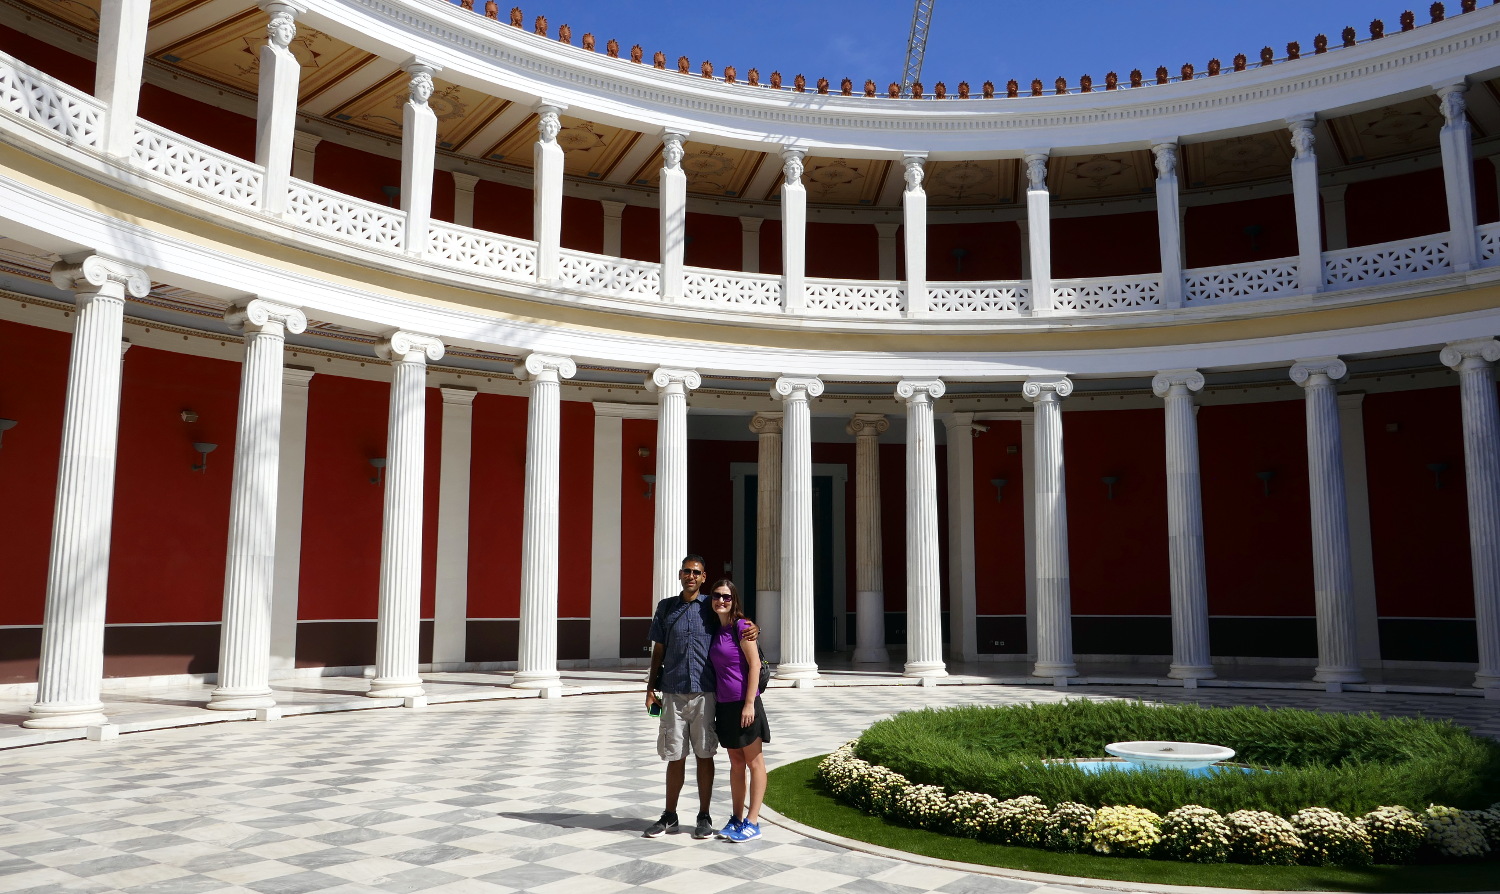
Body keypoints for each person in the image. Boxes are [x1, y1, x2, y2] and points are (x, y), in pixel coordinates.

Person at [643, 555, 757, 839]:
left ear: (704, 577)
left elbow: (735, 620)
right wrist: (650, 688)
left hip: (706, 692)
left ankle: (704, 816)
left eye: (696, 572)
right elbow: (659, 648)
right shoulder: (667, 607)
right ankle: (670, 815)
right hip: (672, 691)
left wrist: (754, 627)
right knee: (675, 755)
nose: (691, 576)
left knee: (705, 754)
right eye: (686, 571)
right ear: (680, 574)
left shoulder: (711, 604)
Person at [706, 579, 771, 843]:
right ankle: (736, 818)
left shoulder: (742, 627)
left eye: (727, 597)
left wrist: (748, 704)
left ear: (735, 601)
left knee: (754, 762)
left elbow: (754, 665)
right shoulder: (715, 629)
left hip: (746, 704)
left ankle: (753, 821)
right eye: (717, 596)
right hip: (725, 705)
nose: (721, 601)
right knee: (735, 763)